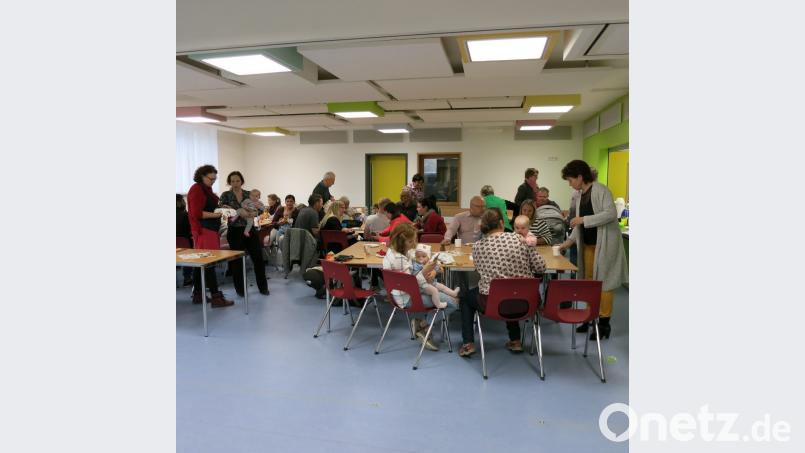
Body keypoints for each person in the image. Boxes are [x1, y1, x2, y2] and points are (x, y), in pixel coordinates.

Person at [458, 209, 546, 357]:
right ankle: (516, 341)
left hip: (492, 303)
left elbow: (480, 271)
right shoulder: (519, 239)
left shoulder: (478, 247)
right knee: (512, 288)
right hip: (526, 301)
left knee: (466, 297)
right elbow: (541, 267)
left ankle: (468, 344)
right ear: (501, 223)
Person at [557, 160, 628, 340]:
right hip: (588, 246)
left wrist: (583, 220)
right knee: (589, 283)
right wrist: (568, 242)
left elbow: (610, 214)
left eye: (570, 179)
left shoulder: (601, 190)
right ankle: (589, 318)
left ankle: (604, 324)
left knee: (605, 284)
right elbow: (578, 226)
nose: (570, 183)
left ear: (580, 177)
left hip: (605, 246)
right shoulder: (580, 195)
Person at [382, 223, 458, 351]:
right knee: (453, 303)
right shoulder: (399, 259)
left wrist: (432, 271)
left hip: (399, 294)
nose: (414, 244)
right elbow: (410, 284)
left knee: (444, 294)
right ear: (402, 241)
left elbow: (414, 260)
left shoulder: (394, 251)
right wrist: (425, 271)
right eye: (411, 241)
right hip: (407, 298)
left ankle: (421, 324)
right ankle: (422, 326)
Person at [186, 165, 234, 307]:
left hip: (209, 230)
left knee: (201, 264)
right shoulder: (197, 189)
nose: (213, 181)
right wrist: (219, 214)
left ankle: (198, 295)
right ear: (202, 176)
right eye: (211, 178)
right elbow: (197, 213)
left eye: (215, 178)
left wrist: (221, 208)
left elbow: (208, 207)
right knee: (209, 263)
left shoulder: (206, 189)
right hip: (204, 230)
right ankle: (216, 297)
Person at [219, 171, 270, 296]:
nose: (235, 183)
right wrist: (236, 212)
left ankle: (263, 287)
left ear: (241, 181)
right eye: (232, 181)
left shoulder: (249, 194)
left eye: (237, 180)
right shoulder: (226, 195)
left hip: (249, 229)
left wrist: (251, 214)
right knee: (237, 261)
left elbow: (258, 210)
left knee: (258, 258)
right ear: (229, 182)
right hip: (234, 230)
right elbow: (222, 211)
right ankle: (240, 290)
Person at [176, 194, 194, 287]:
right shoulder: (185, 214)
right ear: (178, 202)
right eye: (183, 200)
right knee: (191, 252)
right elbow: (191, 229)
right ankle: (187, 278)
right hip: (184, 242)